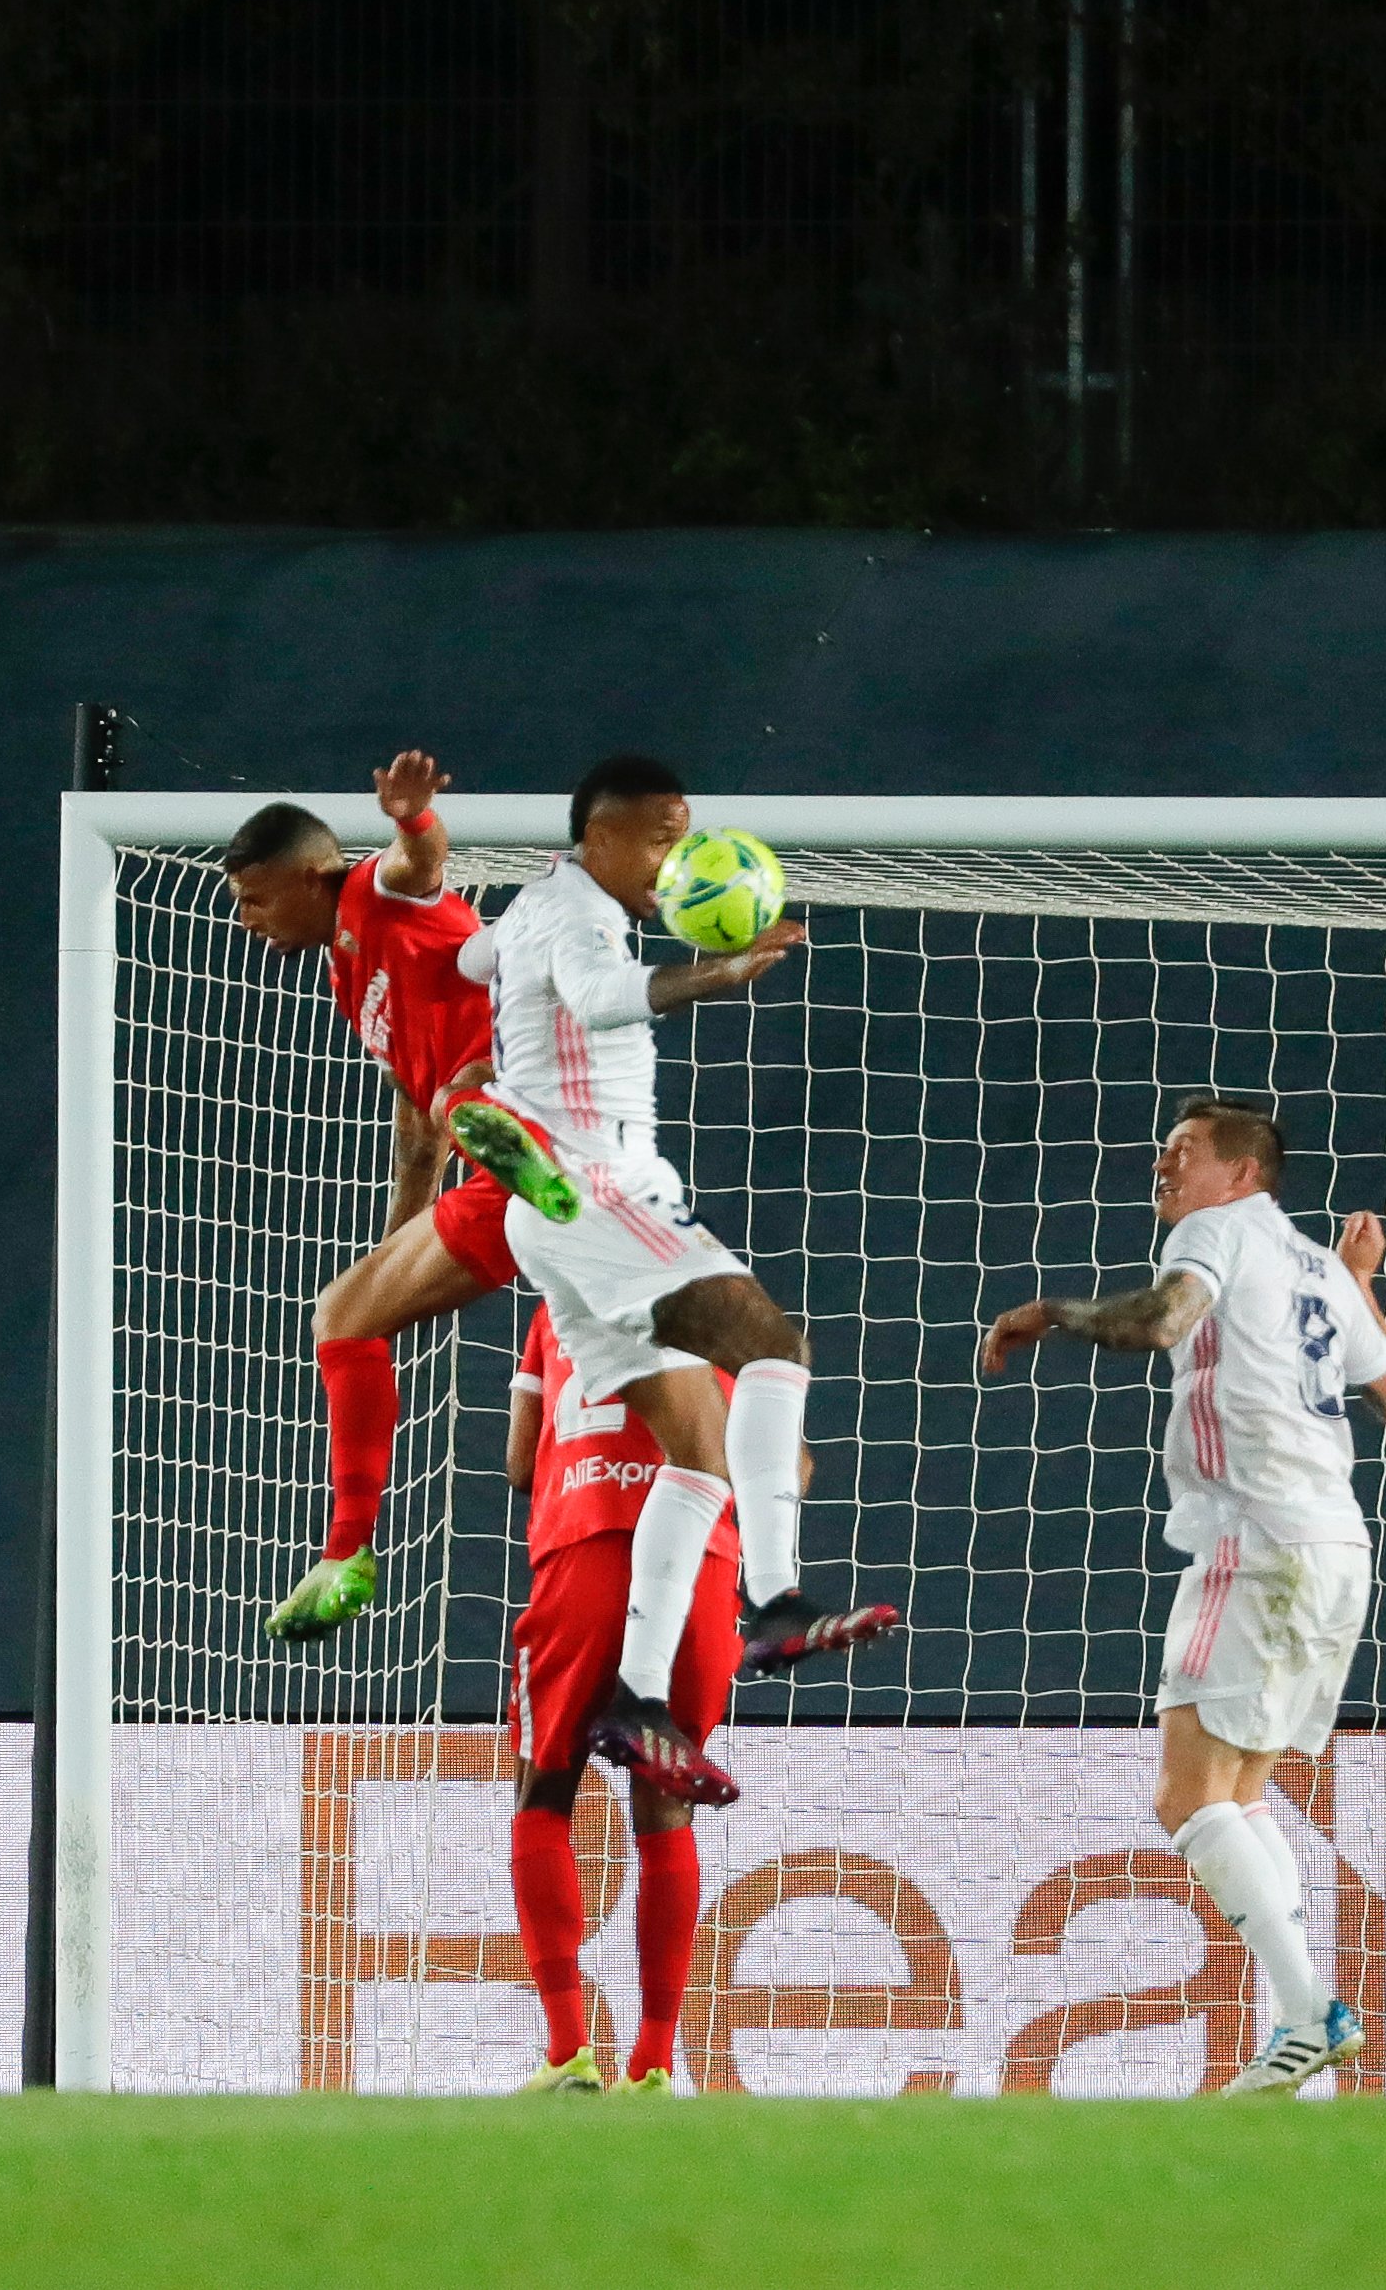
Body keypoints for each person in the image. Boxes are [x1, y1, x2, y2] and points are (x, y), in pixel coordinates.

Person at [467, 754, 896, 1805]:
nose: (679, 855)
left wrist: (471, 997)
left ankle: (638, 1697)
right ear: (599, 837)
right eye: (661, 834)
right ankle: (776, 1600)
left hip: (565, 1209)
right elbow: (603, 994)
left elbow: (474, 956)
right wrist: (716, 973)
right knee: (771, 1347)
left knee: (695, 1453)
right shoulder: (574, 915)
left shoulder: (528, 910)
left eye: (686, 832)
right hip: (591, 1187)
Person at [982, 1097, 1386, 2093]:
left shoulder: (1212, 1231)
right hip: (1335, 1546)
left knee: (1184, 1795)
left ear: (1240, 1173)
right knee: (1241, 1795)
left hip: (1255, 1539)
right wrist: (1357, 1284)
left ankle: (1310, 2010)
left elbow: (1162, 1319)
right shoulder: (1314, 1261)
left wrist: (1053, 1313)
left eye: (1181, 1151)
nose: (1158, 1165)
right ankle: (1295, 2029)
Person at [225, 751, 576, 1643]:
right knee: (342, 1313)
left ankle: (530, 1152)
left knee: (469, 1085)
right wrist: (395, 1248)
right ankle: (346, 1555)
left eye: (256, 899)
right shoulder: (350, 974)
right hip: (489, 1175)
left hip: (546, 1131)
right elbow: (415, 1124)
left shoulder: (373, 898)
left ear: (313, 876)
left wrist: (415, 817)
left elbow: (419, 865)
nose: (245, 919)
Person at [500, 1302, 744, 2093]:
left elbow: (516, 1460)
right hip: (699, 1565)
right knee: (663, 1794)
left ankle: (570, 2047)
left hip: (587, 1543)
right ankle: (655, 2060)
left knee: (544, 1788)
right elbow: (776, 1463)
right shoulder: (715, 1299)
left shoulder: (553, 1305)